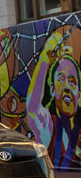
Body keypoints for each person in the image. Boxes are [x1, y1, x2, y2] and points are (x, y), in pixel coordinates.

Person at [26, 31, 80, 168]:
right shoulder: (48, 123)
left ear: (79, 93)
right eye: (61, 79)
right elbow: (32, 107)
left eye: (72, 82)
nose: (67, 87)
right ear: (52, 88)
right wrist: (44, 59)